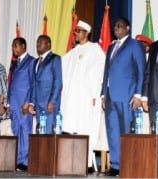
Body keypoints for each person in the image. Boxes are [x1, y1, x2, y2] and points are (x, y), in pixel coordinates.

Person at [101, 17, 146, 176]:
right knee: (112, 130)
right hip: (110, 97)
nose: (116, 29)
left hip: (127, 95)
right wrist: (103, 94)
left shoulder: (135, 45)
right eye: (115, 26)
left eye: (120, 26)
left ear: (128, 28)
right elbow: (106, 72)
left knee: (126, 131)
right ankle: (115, 165)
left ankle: (128, 164)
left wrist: (139, 94)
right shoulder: (111, 46)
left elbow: (141, 71)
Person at [61, 20, 105, 172]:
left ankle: (86, 162)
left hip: (86, 98)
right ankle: (71, 161)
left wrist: (95, 93)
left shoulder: (94, 49)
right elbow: (63, 71)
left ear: (87, 33)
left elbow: (100, 72)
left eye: (79, 31)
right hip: (72, 99)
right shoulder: (72, 52)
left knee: (84, 128)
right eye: (76, 31)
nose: (76, 33)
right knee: (70, 127)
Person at [8, 37, 35, 171]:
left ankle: (25, 162)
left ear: (23, 46)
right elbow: (11, 84)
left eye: (16, 46)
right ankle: (18, 160)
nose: (14, 49)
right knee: (16, 131)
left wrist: (29, 102)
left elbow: (33, 83)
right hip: (14, 103)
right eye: (13, 46)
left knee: (25, 131)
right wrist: (8, 103)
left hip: (23, 104)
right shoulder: (15, 63)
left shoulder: (31, 61)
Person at [28, 35, 62, 134]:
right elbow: (34, 83)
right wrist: (32, 102)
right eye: (37, 42)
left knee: (49, 133)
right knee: (40, 133)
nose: (38, 44)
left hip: (49, 103)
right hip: (38, 104)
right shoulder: (35, 62)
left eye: (41, 42)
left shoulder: (55, 58)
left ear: (48, 44)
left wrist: (52, 101)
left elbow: (58, 81)